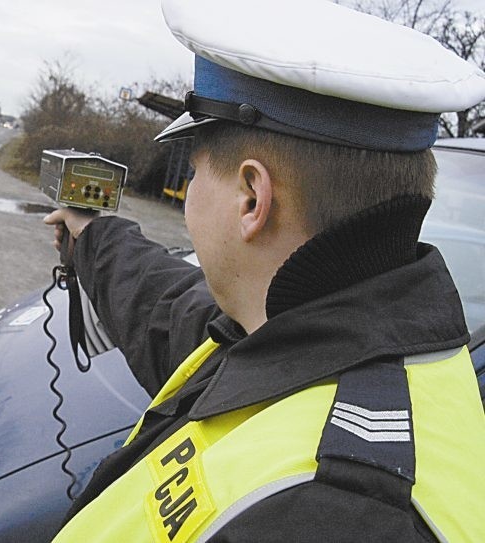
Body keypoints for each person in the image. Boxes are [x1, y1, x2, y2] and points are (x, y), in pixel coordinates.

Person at [44, 0, 485, 540]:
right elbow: (162, 306)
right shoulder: (319, 330)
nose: (187, 194)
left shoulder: (331, 511)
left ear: (253, 198)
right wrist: (90, 233)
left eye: (196, 172)